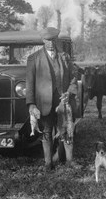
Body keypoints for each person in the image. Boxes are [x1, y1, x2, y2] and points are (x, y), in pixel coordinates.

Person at [26, 27, 78, 171]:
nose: (50, 43)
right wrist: (31, 105)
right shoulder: (34, 58)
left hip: (64, 102)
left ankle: (69, 162)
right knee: (47, 132)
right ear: (43, 40)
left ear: (57, 40)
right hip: (44, 103)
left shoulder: (65, 57)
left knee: (67, 130)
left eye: (53, 40)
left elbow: (74, 77)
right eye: (47, 40)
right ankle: (48, 164)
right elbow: (29, 84)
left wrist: (69, 92)